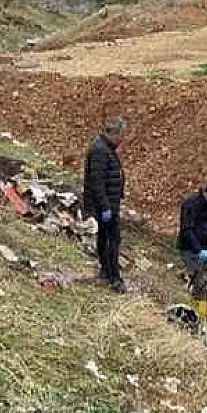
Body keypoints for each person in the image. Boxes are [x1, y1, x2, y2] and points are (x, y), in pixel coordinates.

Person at [83, 117, 127, 293]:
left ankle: (106, 271)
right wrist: (105, 206)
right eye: (121, 135)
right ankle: (113, 276)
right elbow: (97, 182)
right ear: (113, 133)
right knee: (112, 240)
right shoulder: (100, 151)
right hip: (106, 204)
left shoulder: (106, 148)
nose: (122, 140)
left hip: (110, 202)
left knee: (106, 238)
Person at [177, 181, 207, 319]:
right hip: (189, 247)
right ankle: (195, 309)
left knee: (202, 277)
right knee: (199, 278)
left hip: (203, 246)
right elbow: (187, 229)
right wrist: (198, 250)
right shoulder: (190, 204)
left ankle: (197, 308)